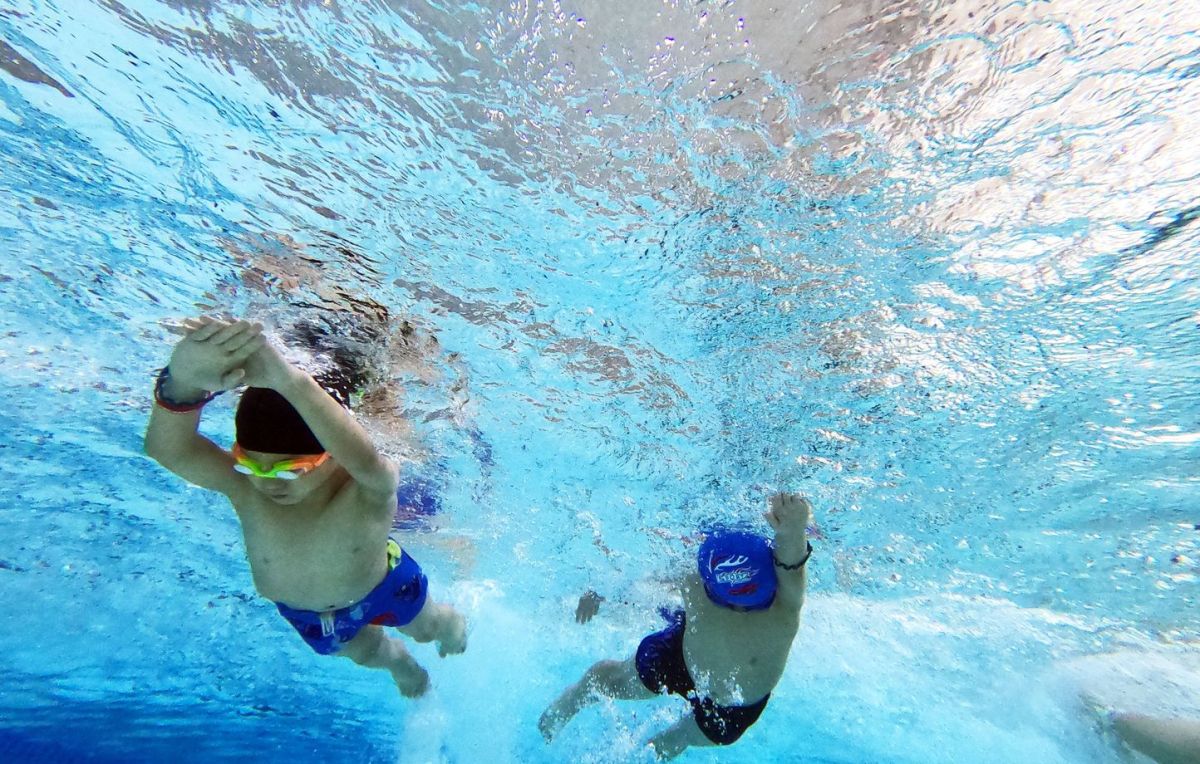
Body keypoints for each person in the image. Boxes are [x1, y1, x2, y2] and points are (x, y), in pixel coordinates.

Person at [143, 316, 467, 698]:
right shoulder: (246, 488)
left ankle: (450, 625)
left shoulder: (364, 488)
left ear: (332, 456)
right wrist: (181, 384)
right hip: (307, 614)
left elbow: (366, 460)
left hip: (384, 586)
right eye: (251, 463)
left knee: (426, 628)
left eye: (290, 469)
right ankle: (402, 665)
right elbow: (169, 449)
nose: (265, 480)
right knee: (366, 653)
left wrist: (288, 380)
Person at [539, 492, 813, 759]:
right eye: (727, 600)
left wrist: (795, 530)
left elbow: (792, 565)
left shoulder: (784, 609)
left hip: (735, 706)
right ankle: (569, 703)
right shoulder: (699, 582)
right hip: (683, 654)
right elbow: (642, 576)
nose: (736, 607)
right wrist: (601, 592)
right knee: (609, 681)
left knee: (670, 742)